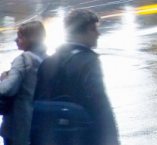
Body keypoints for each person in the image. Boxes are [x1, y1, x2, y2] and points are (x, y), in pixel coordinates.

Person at [33, 9, 119, 145]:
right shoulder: (88, 61)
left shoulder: (48, 62)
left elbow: (37, 99)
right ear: (79, 32)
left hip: (50, 137)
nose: (98, 33)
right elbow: (99, 104)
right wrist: (111, 139)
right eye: (93, 29)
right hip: (80, 136)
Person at [0, 21, 47, 145]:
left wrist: (3, 80)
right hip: (41, 122)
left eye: (20, 36)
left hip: (19, 124)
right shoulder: (47, 59)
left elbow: (8, 89)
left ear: (30, 39)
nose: (16, 40)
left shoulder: (23, 60)